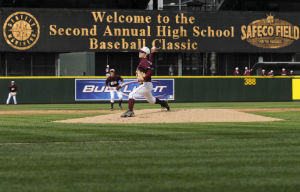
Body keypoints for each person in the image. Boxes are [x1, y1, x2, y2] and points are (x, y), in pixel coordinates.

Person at [121, 46, 170, 118]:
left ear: (145, 54)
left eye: (141, 52)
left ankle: (130, 111)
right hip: (147, 84)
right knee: (152, 100)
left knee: (131, 94)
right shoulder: (146, 61)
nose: (139, 53)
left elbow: (149, 71)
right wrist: (152, 53)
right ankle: (164, 103)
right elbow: (150, 62)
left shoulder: (144, 61)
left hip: (146, 84)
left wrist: (144, 78)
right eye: (140, 51)